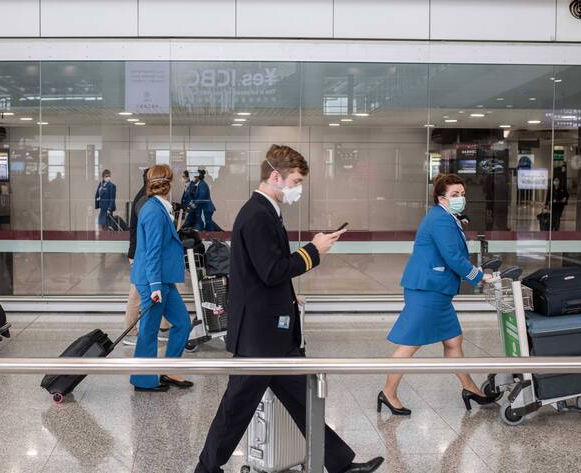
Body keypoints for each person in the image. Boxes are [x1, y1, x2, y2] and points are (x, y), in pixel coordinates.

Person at [195, 145, 384, 473]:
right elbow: (272, 270)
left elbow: (264, 271)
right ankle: (206, 469)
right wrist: (313, 250)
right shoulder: (257, 215)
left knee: (302, 401)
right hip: (259, 336)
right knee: (236, 409)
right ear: (275, 176)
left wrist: (290, 296)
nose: (298, 189)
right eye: (296, 182)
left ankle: (339, 463)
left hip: (272, 333)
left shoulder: (265, 212)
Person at [378, 173, 497, 416]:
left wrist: (459, 221)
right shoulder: (441, 220)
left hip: (436, 290)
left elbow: (451, 239)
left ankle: (470, 388)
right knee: (410, 344)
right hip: (428, 290)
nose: (460, 198)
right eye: (454, 194)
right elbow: (452, 257)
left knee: (453, 341)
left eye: (462, 194)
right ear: (441, 198)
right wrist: (479, 276)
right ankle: (388, 394)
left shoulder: (447, 216)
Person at [130, 164, 193, 392]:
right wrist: (155, 285)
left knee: (182, 323)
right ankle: (143, 380)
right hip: (153, 281)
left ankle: (169, 369)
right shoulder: (154, 212)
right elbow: (153, 252)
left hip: (163, 280)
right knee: (149, 330)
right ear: (170, 184)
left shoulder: (159, 208)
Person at [124, 169, 170, 347]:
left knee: (162, 288)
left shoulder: (148, 197)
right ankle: (130, 333)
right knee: (136, 294)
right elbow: (150, 231)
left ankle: (163, 328)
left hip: (143, 253)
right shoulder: (145, 200)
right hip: (140, 254)